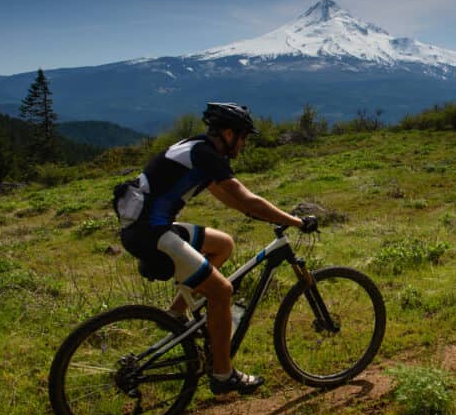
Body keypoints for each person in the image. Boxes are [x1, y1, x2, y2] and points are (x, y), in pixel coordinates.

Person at [119, 102, 316, 395]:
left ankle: (175, 315)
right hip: (152, 233)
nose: (244, 144)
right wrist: (296, 221)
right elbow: (245, 197)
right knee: (222, 291)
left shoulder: (195, 147)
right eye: (243, 137)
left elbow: (226, 196)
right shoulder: (207, 155)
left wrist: (252, 213)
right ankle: (223, 374)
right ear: (228, 134)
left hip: (144, 227)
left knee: (223, 244)